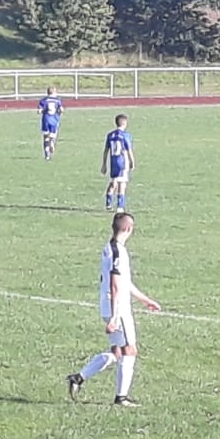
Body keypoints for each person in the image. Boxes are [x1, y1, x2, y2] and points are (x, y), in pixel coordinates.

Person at [67, 212, 162, 407]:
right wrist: (115, 316)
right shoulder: (118, 252)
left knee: (117, 352)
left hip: (107, 306)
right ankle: (121, 398)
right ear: (128, 228)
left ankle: (78, 378)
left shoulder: (109, 248)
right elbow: (116, 285)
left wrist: (145, 300)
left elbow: (124, 282)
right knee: (130, 350)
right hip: (118, 308)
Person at [101, 113, 135, 211]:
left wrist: (104, 164)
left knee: (113, 183)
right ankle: (120, 206)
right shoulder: (126, 135)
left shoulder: (110, 135)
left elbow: (106, 150)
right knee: (122, 184)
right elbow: (129, 150)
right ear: (125, 123)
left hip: (113, 163)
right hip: (123, 162)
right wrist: (132, 161)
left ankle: (108, 204)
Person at [37, 88, 64, 160]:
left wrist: (41, 110)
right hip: (54, 120)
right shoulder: (57, 100)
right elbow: (61, 109)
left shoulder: (44, 100)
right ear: (54, 92)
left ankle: (47, 155)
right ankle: (52, 141)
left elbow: (39, 111)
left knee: (46, 137)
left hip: (46, 120)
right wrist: (59, 112)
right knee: (52, 135)